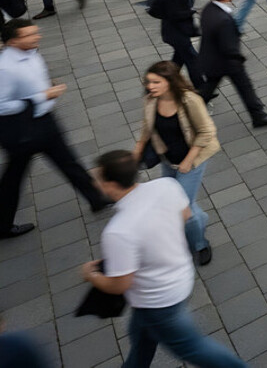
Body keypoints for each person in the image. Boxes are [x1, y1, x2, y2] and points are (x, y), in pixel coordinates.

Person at [81, 150, 248, 368]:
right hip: (179, 278)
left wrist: (90, 275)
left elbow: (120, 284)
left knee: (193, 348)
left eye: (99, 178)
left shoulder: (118, 231)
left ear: (111, 185)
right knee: (141, 337)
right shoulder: (166, 186)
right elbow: (186, 216)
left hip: (159, 301)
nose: (95, 182)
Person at [0, 18, 111, 239]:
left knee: (68, 161)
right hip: (22, 130)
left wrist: (47, 85)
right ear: (13, 42)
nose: (37, 37)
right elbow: (2, 104)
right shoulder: (5, 68)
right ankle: (2, 225)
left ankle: (96, 199)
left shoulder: (31, 52)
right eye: (29, 35)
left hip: (45, 121)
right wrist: (42, 95)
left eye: (35, 32)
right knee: (14, 178)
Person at [131, 61, 219, 265]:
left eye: (156, 82)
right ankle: (200, 220)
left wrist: (188, 161)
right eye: (148, 82)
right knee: (182, 203)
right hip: (168, 159)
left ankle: (200, 244)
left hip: (192, 161)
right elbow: (146, 126)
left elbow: (207, 132)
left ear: (170, 82)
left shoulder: (189, 100)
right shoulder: (151, 100)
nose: (150, 86)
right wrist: (136, 151)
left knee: (182, 207)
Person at [197, 0, 267, 128]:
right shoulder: (224, 19)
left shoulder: (208, 8)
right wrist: (239, 59)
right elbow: (228, 46)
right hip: (227, 62)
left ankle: (191, 110)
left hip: (211, 59)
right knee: (245, 87)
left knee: (208, 88)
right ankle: (258, 116)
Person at [152, 0, 205, 89]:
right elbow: (174, 14)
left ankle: (167, 80)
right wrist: (193, 11)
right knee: (192, 59)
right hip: (176, 31)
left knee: (179, 59)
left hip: (176, 30)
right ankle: (202, 89)